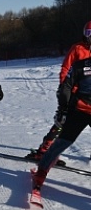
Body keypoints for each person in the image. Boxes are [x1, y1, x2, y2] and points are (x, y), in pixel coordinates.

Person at [26, 20, 91, 161]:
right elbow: (65, 69)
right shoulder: (77, 49)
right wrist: (64, 89)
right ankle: (44, 151)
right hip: (74, 94)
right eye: (89, 34)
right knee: (63, 121)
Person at [31, 56, 91, 199]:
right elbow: (66, 86)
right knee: (62, 142)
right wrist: (63, 110)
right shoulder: (81, 66)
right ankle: (41, 173)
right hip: (80, 110)